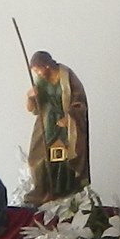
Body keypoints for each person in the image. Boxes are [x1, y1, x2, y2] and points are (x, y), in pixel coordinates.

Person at [25, 49, 92, 202]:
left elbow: (79, 101)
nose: (37, 73)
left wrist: (69, 117)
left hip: (67, 126)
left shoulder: (67, 77)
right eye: (34, 71)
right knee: (39, 154)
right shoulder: (41, 80)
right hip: (47, 122)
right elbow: (35, 108)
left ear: (46, 66)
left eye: (37, 69)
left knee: (63, 155)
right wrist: (30, 98)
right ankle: (44, 189)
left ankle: (64, 190)